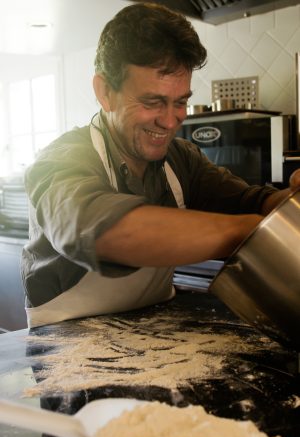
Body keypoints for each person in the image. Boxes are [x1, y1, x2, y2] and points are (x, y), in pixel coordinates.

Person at [22, 2, 300, 328]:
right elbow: (108, 233)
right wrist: (250, 231)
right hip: (64, 350)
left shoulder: (180, 159)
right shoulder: (61, 161)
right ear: (105, 92)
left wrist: (290, 205)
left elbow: (250, 201)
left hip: (159, 336)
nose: (170, 121)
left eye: (180, 102)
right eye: (153, 101)